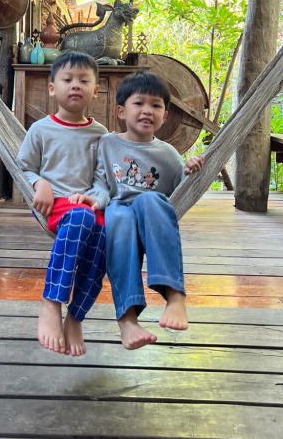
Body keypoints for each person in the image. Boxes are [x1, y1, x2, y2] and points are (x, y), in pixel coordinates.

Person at [95, 71, 204, 350]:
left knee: (150, 200)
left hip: (152, 213)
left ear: (165, 115)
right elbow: (98, 182)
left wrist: (191, 170)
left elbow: (180, 193)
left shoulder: (168, 154)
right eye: (139, 103)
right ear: (121, 111)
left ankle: (175, 296)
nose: (147, 111)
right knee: (117, 218)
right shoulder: (106, 143)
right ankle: (128, 321)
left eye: (156, 105)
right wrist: (94, 199)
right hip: (117, 207)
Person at [18, 51, 108, 357]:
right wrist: (39, 183)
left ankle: (76, 316)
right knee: (82, 219)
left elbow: (103, 177)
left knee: (106, 240)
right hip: (54, 203)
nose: (75, 85)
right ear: (52, 88)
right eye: (67, 79)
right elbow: (25, 167)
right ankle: (51, 302)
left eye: (84, 80)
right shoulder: (41, 130)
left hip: (87, 207)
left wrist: (95, 197)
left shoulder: (101, 135)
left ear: (96, 90)